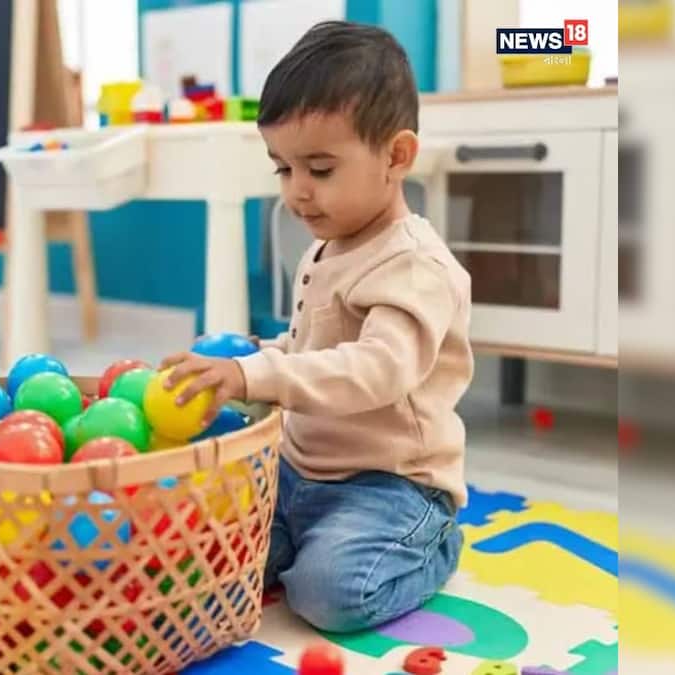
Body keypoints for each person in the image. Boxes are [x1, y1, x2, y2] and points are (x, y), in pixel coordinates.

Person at [161, 21, 472, 632]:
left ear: (396, 156)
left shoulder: (414, 266)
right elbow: (314, 347)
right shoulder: (328, 244)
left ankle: (433, 546)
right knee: (214, 557)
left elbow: (376, 370)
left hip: (390, 486)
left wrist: (256, 374)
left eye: (321, 169)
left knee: (330, 594)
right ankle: (303, 541)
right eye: (283, 168)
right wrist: (256, 354)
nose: (298, 192)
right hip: (298, 470)